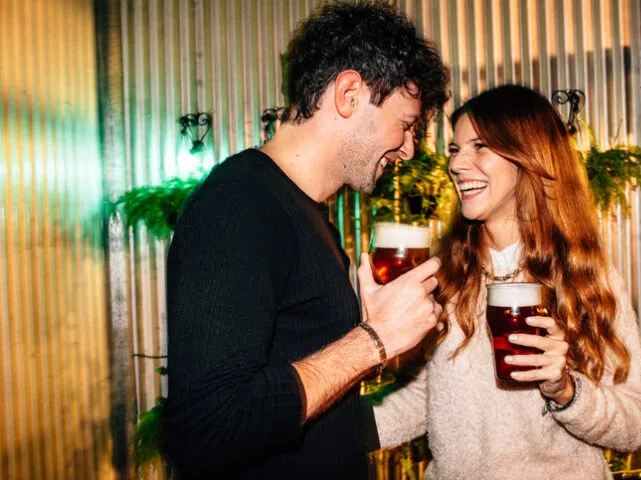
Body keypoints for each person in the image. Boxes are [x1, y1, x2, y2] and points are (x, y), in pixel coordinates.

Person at [162, 1, 450, 479]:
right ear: (349, 94)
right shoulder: (239, 206)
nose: (409, 148)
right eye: (405, 123)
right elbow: (208, 430)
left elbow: (300, 382)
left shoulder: (307, 213)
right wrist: (374, 340)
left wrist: (369, 324)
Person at [373, 85, 641, 479]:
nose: (456, 164)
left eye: (480, 146)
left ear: (528, 156)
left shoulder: (584, 277)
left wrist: (566, 392)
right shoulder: (447, 274)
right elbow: (427, 399)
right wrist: (311, 431)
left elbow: (637, 423)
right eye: (455, 150)